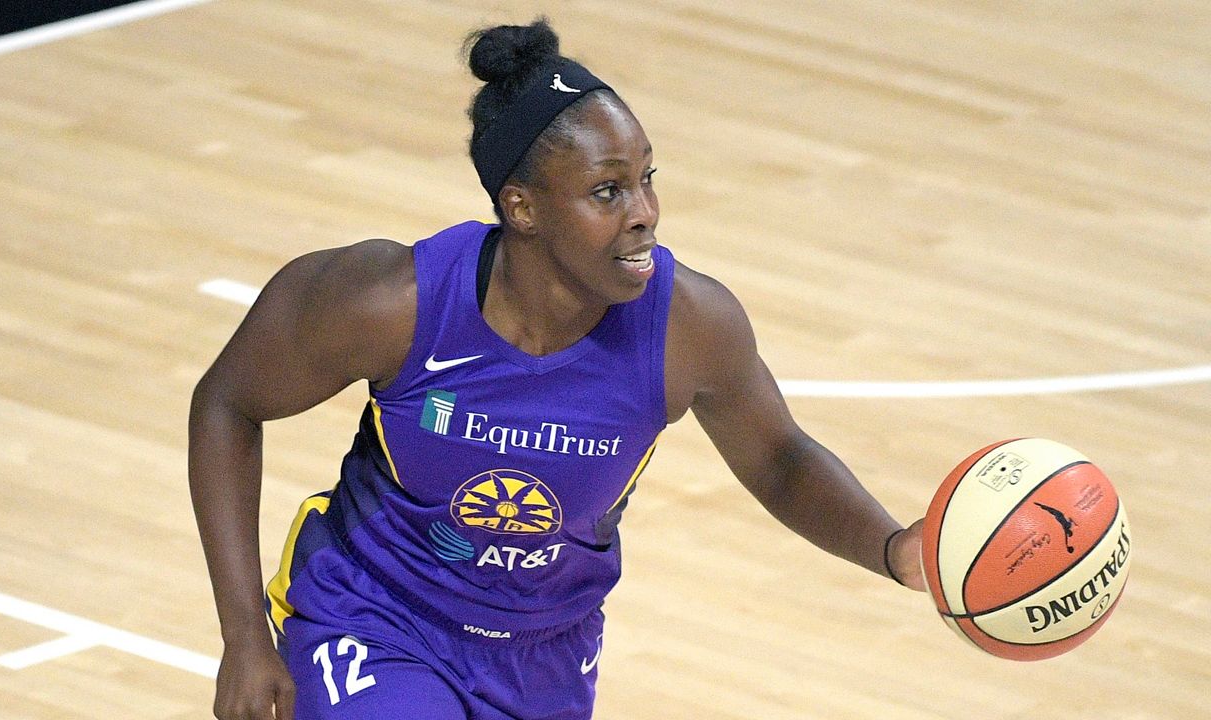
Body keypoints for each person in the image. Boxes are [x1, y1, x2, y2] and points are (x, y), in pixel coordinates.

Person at [189, 18, 926, 720]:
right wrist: (244, 637)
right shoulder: (391, 303)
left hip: (547, 651)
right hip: (377, 616)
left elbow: (781, 460)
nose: (645, 213)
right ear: (523, 207)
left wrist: (894, 550)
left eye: (646, 179)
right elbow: (227, 402)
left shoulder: (690, 326)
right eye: (608, 191)